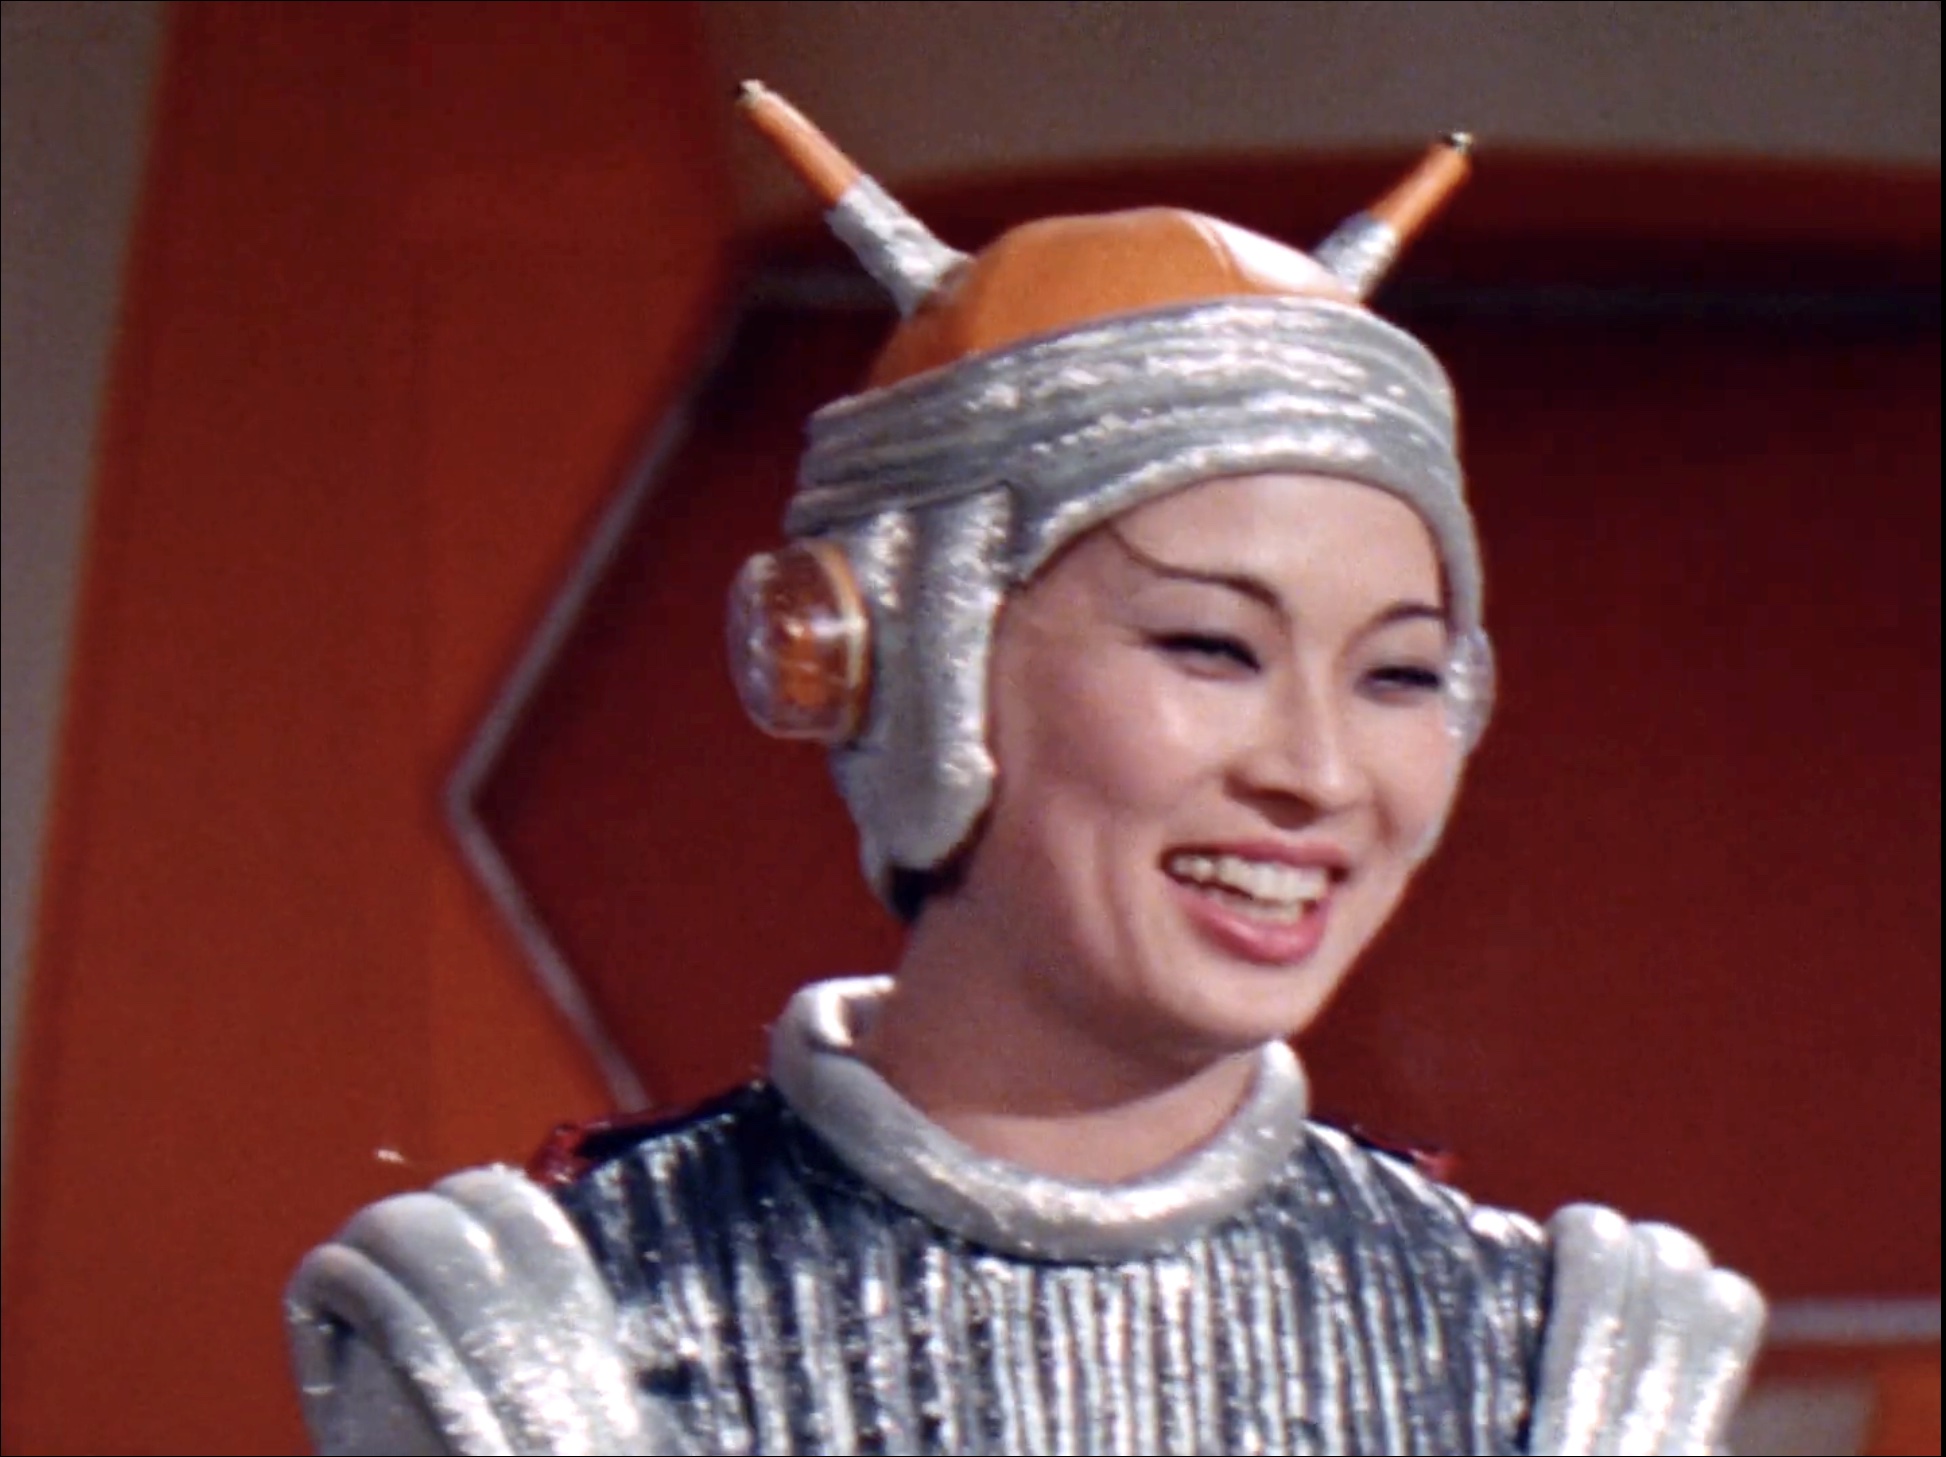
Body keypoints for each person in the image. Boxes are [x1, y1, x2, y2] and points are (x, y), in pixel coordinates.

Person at [285, 85, 1764, 1456]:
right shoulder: (540, 1347)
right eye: (1210, 647)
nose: (1319, 773)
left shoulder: (1554, 1363)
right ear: (899, 658)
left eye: (1396, 674)